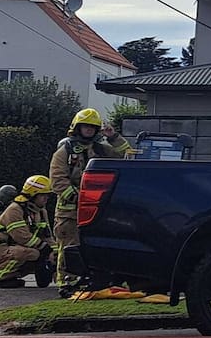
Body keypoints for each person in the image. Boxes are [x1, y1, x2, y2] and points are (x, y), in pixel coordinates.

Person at [49, 108, 130, 290]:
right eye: (85, 126)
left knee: (93, 245)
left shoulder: (101, 149)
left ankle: (92, 279)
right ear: (77, 127)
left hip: (97, 210)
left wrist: (113, 137)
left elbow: (128, 156)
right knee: (69, 245)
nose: (89, 130)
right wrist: (80, 198)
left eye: (92, 127)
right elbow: (57, 181)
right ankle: (67, 282)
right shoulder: (64, 151)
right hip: (69, 211)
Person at [0, 175, 55, 288]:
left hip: (18, 247)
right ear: (33, 194)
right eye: (43, 195)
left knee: (45, 253)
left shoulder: (41, 212)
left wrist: (55, 252)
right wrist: (43, 247)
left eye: (47, 195)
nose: (46, 198)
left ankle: (11, 277)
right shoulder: (14, 209)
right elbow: (21, 237)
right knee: (33, 253)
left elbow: (47, 236)